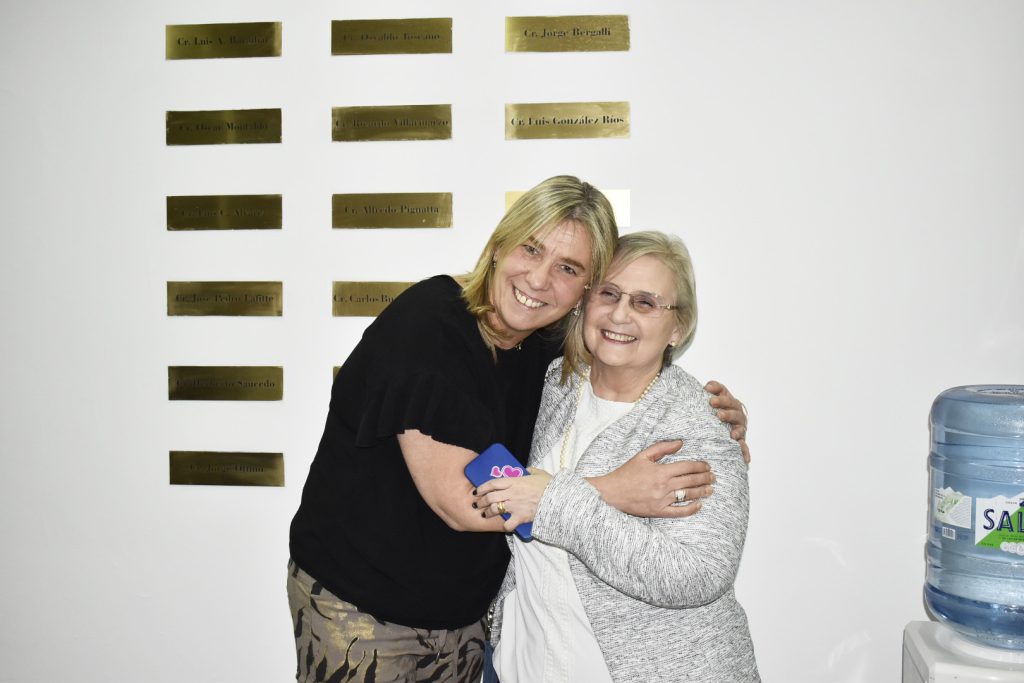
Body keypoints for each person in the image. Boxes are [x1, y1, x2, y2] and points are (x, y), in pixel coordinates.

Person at [288, 178, 748, 682]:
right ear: (499, 245)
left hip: (463, 621)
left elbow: (627, 370)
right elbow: (461, 502)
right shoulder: (428, 327)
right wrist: (612, 490)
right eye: (531, 248)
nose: (539, 279)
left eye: (568, 268)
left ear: (581, 292)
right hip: (367, 605)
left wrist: (710, 413)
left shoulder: (551, 357)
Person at [478, 231, 759, 682]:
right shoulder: (552, 383)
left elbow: (699, 573)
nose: (620, 314)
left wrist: (552, 502)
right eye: (608, 293)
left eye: (645, 303)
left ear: (678, 327)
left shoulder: (698, 425)